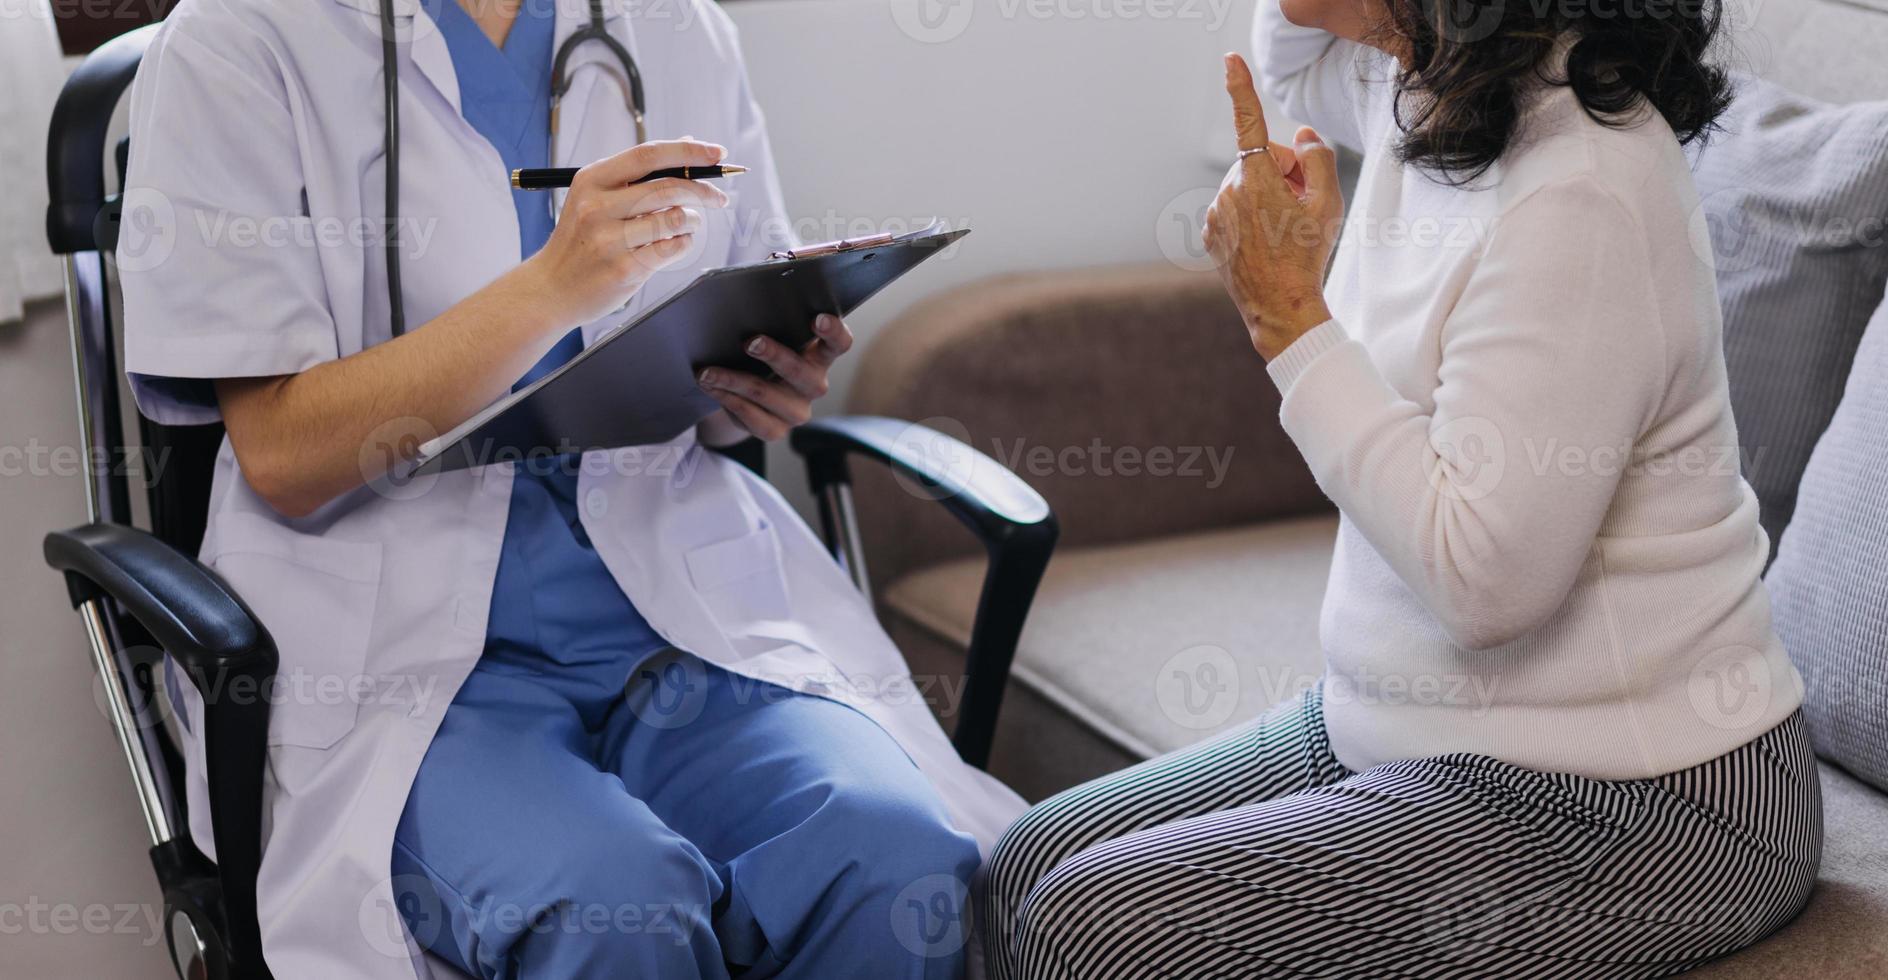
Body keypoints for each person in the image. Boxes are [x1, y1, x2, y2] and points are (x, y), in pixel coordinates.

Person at [116, 0, 1024, 977]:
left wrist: (756, 380)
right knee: (615, 907)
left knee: (892, 861)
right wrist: (554, 283)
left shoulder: (675, 26)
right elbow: (284, 453)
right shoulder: (237, 39)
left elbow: (718, 329)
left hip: (671, 605)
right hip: (396, 647)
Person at [979, 1, 1823, 976]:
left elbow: (1486, 584)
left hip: (1644, 798)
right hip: (1394, 730)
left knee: (1086, 922)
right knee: (1023, 864)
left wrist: (1291, 321)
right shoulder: (1428, 83)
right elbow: (1291, 62)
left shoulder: (1580, 187)